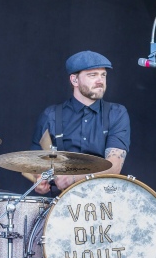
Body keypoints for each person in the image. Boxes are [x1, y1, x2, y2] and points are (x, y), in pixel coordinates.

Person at [27, 50, 130, 196]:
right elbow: (32, 162)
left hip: (104, 200)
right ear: (74, 80)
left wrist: (73, 178)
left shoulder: (117, 113)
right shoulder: (51, 115)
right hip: (61, 201)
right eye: (92, 75)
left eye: (103, 75)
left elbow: (114, 166)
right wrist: (38, 179)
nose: (100, 80)